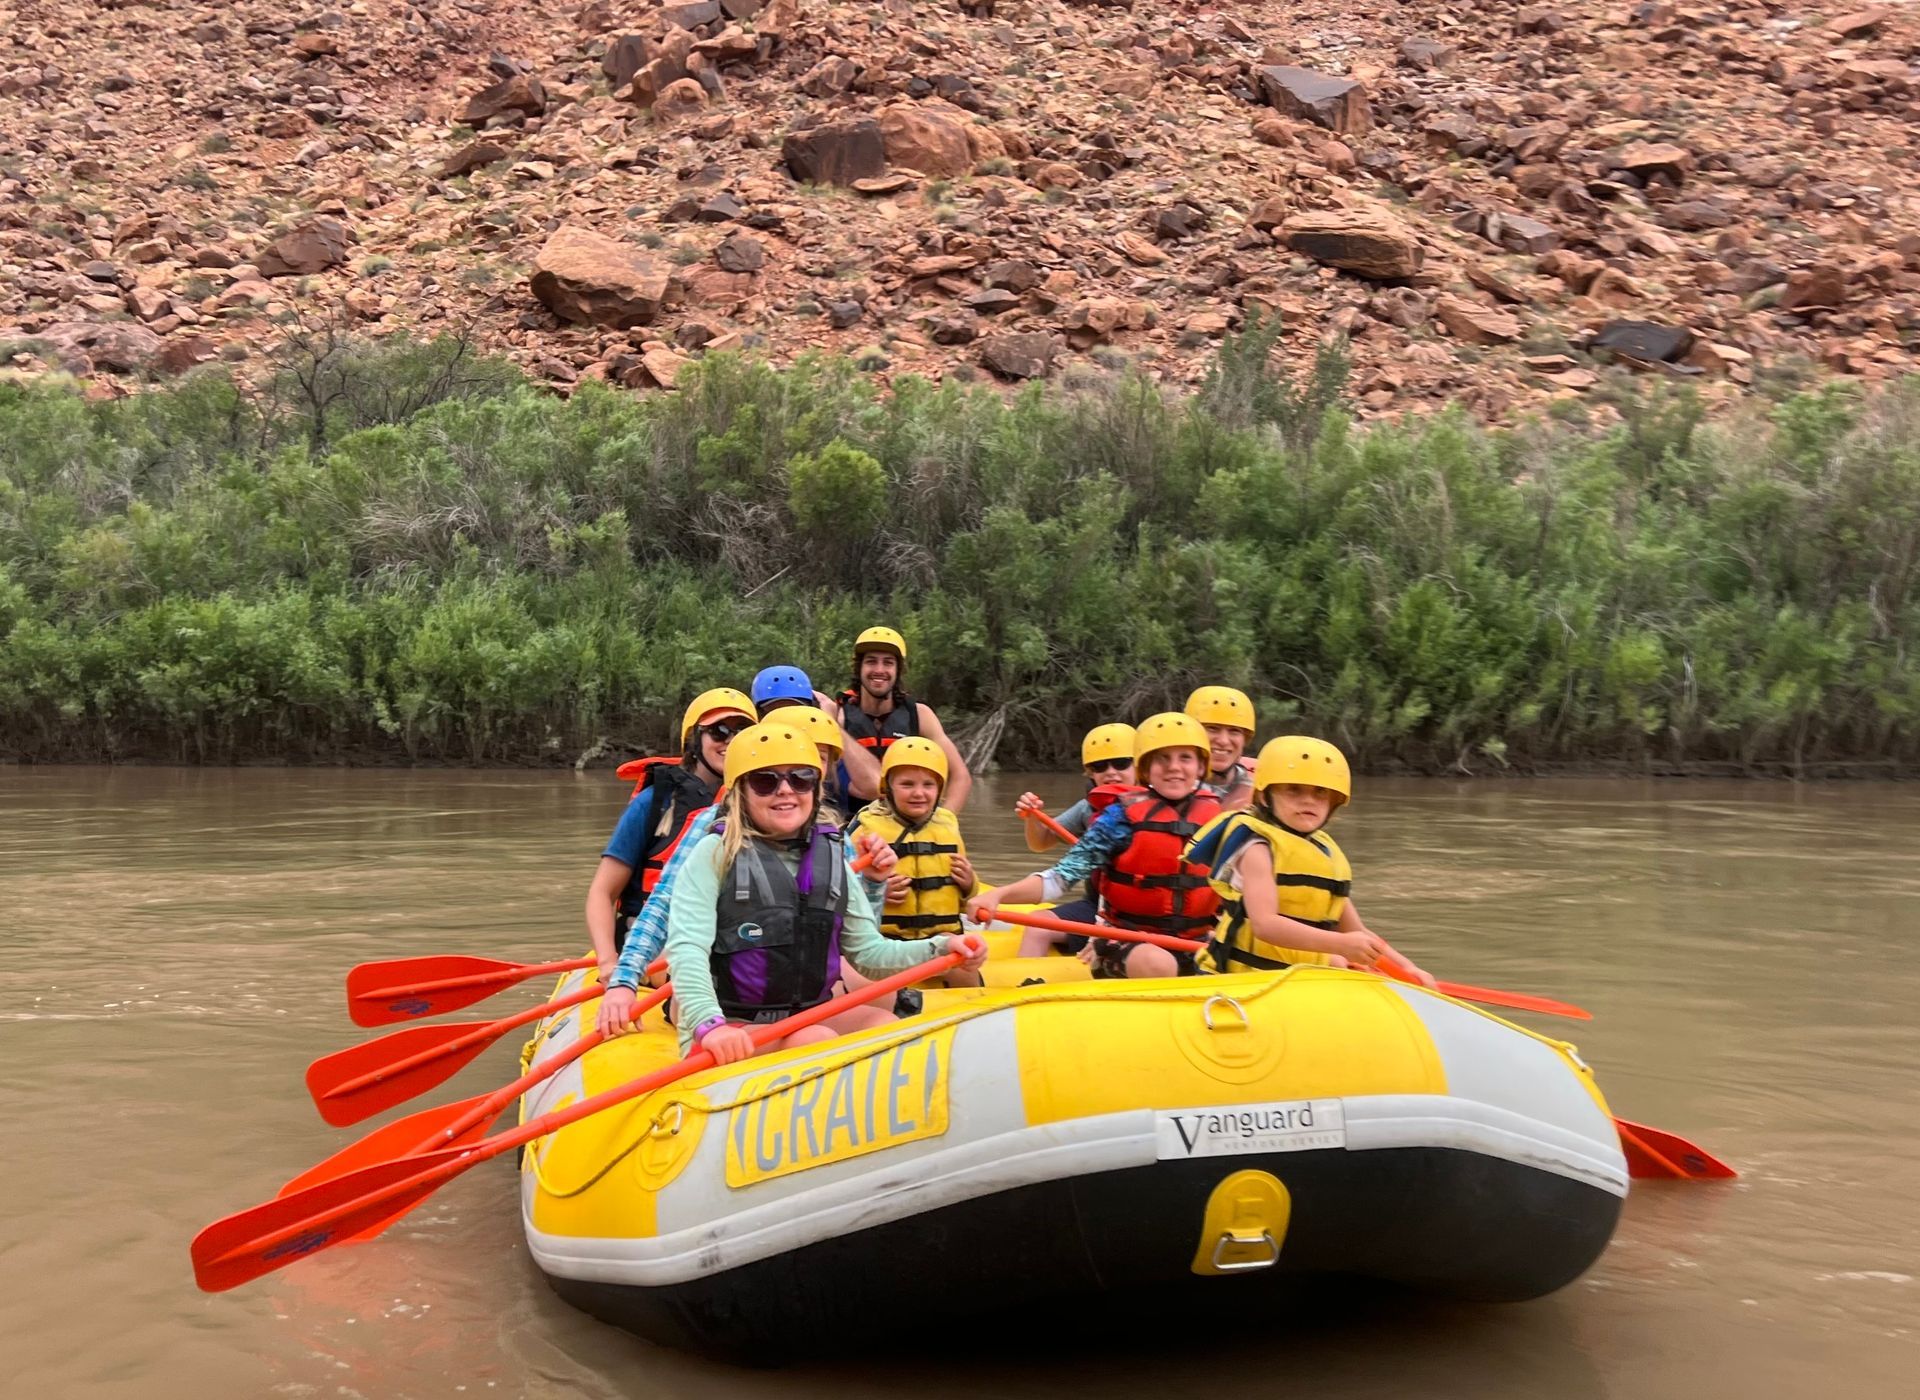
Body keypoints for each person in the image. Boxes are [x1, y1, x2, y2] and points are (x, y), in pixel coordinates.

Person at [603, 722, 987, 1064]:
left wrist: (941, 949)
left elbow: (869, 954)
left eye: (801, 778)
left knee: (884, 1023)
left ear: (816, 788)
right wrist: (708, 1024)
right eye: (766, 781)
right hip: (728, 1022)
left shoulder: (833, 851)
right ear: (739, 792)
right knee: (814, 1038)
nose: (786, 791)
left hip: (805, 1012)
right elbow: (687, 951)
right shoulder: (713, 853)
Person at [594, 706, 901, 1024]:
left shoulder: (832, 837)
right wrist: (623, 976)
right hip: (734, 978)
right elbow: (662, 907)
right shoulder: (712, 829)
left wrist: (875, 884)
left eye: (812, 765)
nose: (790, 781)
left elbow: (860, 938)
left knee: (884, 997)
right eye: (773, 774)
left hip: (795, 974)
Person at [966, 712, 1221, 979]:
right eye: (1162, 758)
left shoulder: (1219, 818)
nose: (1174, 767)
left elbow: (1240, 886)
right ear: (1145, 768)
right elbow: (1058, 880)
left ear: (1201, 767)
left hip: (1196, 941)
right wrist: (997, 895)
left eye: (1185, 758)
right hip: (1126, 941)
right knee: (1158, 963)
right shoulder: (1118, 819)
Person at [1187, 736, 1434, 985]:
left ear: (1333, 802)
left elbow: (1355, 931)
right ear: (1264, 797)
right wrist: (1341, 944)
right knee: (1338, 957)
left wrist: (1406, 968)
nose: (1309, 800)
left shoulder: (1325, 855)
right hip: (1240, 979)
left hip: (1295, 979)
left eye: (1320, 792)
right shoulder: (1257, 849)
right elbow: (1265, 925)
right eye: (1294, 789)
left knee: (1339, 963)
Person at [584, 688, 754, 983]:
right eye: (719, 731)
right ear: (694, 741)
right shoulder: (655, 802)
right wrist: (609, 962)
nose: (730, 741)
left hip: (730, 939)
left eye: (742, 732)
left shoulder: (765, 803)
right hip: (657, 942)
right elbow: (602, 891)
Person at [847, 737, 981, 988]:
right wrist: (877, 892)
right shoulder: (864, 829)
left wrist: (969, 884)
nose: (919, 793)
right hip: (885, 942)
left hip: (942, 937)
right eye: (907, 784)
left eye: (928, 784)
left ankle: (972, 1008)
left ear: (939, 789)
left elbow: (966, 902)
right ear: (888, 788)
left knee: (964, 964)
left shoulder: (947, 825)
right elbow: (844, 889)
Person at [1010, 722, 1134, 957]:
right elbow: (1040, 843)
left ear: (1141, 765)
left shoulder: (1160, 809)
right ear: (1091, 774)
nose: (1110, 772)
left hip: (1144, 916)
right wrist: (1031, 818)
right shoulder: (1089, 808)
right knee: (1037, 925)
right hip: (1096, 905)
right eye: (1099, 766)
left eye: (1121, 763)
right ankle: (1024, 986)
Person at [838, 625, 973, 813]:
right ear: (858, 668)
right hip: (851, 826)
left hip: (905, 826)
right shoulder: (839, 716)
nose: (879, 669)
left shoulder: (920, 715)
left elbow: (960, 776)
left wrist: (943, 824)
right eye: (871, 661)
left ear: (898, 669)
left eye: (888, 663)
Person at [754, 665, 881, 804]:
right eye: (775, 712)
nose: (787, 720)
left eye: (796, 711)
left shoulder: (824, 758)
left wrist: (832, 726)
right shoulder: (751, 757)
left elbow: (875, 787)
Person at [1185, 685, 1257, 809]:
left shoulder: (1260, 796)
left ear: (1245, 739)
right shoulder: (1164, 788)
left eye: (1234, 731)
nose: (1223, 741)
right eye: (1212, 729)